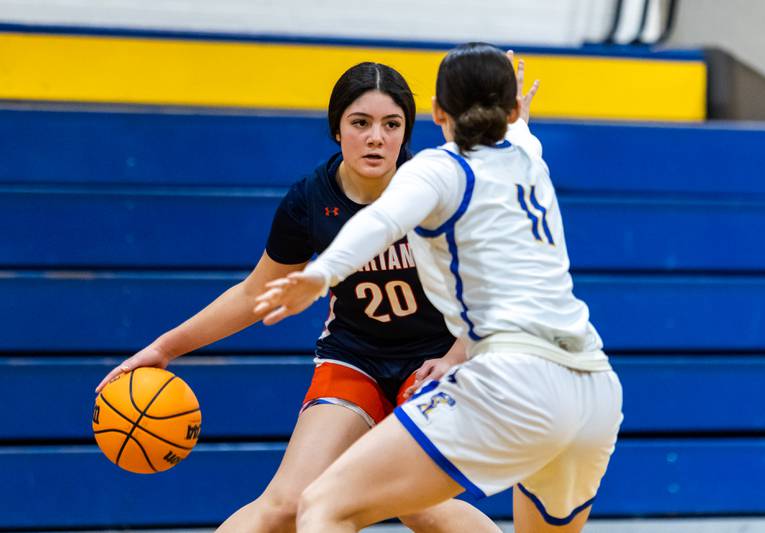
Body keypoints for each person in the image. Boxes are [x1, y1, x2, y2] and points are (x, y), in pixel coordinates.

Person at [95, 62, 501, 533]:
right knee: (288, 504)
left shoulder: (437, 187)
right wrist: (165, 348)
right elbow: (254, 294)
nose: (376, 137)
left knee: (417, 503)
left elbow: (490, 291)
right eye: (360, 123)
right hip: (356, 359)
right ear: (337, 130)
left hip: (434, 360)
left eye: (391, 125)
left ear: (407, 131)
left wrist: (456, 356)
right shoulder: (310, 201)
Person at [253, 44, 624, 533]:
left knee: (323, 506)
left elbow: (382, 221)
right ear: (512, 110)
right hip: (595, 389)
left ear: (435, 112)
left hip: (519, 378)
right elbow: (519, 135)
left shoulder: (438, 167)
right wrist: (518, 119)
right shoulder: (528, 156)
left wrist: (322, 275)